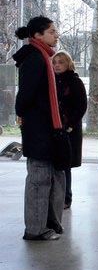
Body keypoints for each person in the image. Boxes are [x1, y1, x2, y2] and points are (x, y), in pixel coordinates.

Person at [13, 16, 65, 240]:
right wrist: (30, 118)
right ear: (37, 35)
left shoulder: (43, 56)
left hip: (45, 128)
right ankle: (35, 229)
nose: (56, 34)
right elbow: (24, 97)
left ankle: (46, 224)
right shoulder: (35, 59)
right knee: (39, 180)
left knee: (50, 177)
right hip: (39, 130)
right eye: (52, 31)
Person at [52, 51, 87, 210]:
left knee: (65, 164)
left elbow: (81, 107)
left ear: (68, 64)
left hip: (69, 129)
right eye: (55, 62)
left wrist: (70, 125)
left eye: (60, 62)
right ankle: (55, 196)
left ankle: (66, 197)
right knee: (54, 163)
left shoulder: (75, 82)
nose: (57, 65)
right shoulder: (50, 81)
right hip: (53, 128)